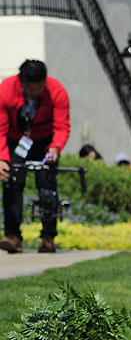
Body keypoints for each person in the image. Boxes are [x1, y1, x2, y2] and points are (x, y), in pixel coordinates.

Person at [0, 59, 70, 253]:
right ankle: (13, 236)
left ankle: (48, 238)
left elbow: (62, 125)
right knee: (11, 182)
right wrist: (2, 159)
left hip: (45, 143)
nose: (35, 92)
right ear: (21, 82)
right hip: (16, 140)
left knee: (47, 186)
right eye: (30, 88)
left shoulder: (57, 91)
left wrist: (56, 147)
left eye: (39, 87)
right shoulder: (6, 89)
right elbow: (0, 128)